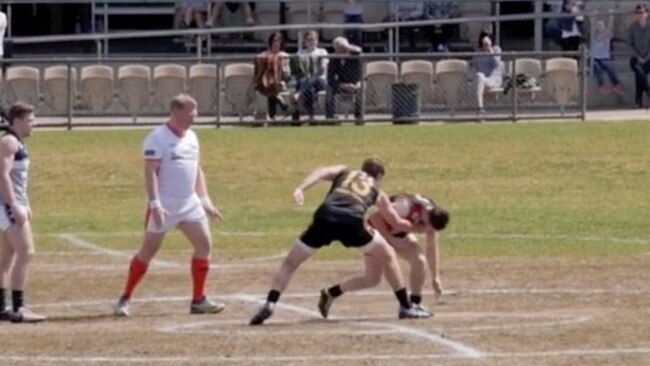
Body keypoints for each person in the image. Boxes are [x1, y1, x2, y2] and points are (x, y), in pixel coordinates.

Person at [249, 158, 432, 325]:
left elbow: (321, 171)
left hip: (325, 216)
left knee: (290, 263)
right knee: (387, 254)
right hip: (352, 221)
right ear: (379, 176)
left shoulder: (345, 171)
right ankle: (406, 306)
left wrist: (301, 189)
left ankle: (270, 302)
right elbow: (396, 222)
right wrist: (420, 227)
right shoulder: (377, 190)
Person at [114, 94, 224, 317]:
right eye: (191, 113)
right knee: (147, 252)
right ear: (176, 113)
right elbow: (150, 172)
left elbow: (197, 169)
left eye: (196, 112)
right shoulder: (157, 138)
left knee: (204, 246)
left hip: (189, 204)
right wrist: (155, 204)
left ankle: (199, 300)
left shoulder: (192, 137)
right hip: (165, 205)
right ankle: (125, 298)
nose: (195, 117)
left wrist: (204, 200)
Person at [369, 193, 450, 316]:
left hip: (399, 235)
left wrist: (435, 277)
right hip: (376, 234)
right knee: (371, 279)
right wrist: (389, 238)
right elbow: (374, 217)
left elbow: (431, 247)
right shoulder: (405, 207)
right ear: (428, 214)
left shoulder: (430, 218)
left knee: (420, 261)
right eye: (428, 225)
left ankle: (414, 305)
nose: (427, 228)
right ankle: (333, 293)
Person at [0, 102, 45, 323]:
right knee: (27, 253)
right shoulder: (9, 142)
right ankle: (18, 308)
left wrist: (25, 203)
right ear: (17, 121)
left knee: (8, 256)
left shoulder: (16, 143)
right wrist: (14, 205)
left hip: (14, 204)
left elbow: (18, 181)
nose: (33, 124)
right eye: (30, 120)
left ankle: (1, 307)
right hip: (7, 205)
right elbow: (3, 175)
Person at [291, 31, 329, 123]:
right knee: (310, 89)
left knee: (310, 80)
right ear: (305, 41)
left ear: (317, 40)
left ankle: (298, 95)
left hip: (320, 80)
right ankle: (311, 116)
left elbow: (322, 70)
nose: (311, 42)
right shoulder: (300, 53)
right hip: (305, 81)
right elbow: (297, 70)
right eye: (309, 40)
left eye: (314, 39)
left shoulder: (322, 51)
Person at [254, 32, 291, 121]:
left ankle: (272, 115)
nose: (276, 43)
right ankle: (282, 106)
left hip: (280, 81)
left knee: (272, 87)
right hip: (264, 81)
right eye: (274, 41)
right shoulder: (264, 54)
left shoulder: (284, 55)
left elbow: (287, 73)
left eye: (278, 41)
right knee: (270, 86)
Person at [326, 37, 362, 122]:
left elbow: (359, 50)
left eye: (341, 47)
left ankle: (359, 116)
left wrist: (345, 46)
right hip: (341, 84)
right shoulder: (334, 59)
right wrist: (341, 85)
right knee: (329, 89)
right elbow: (330, 78)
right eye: (337, 48)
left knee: (360, 89)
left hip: (356, 82)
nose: (339, 50)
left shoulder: (354, 56)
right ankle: (330, 117)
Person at [591, 11, 624, 96]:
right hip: (595, 58)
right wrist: (594, 16)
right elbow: (592, 24)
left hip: (605, 58)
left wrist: (611, 15)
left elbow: (610, 26)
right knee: (597, 69)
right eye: (598, 26)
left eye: (601, 25)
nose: (600, 27)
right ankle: (602, 86)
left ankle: (617, 85)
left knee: (611, 69)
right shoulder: (593, 35)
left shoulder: (607, 35)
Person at [472, 32, 504, 114]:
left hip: (494, 79)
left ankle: (479, 108)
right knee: (480, 76)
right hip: (482, 80)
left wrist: (490, 49)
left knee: (480, 78)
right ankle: (480, 107)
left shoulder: (496, 49)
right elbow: (476, 67)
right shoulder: (477, 52)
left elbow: (497, 63)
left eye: (488, 39)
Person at [629, 4, 650, 108]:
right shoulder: (632, 27)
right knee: (638, 69)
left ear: (647, 13)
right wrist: (638, 57)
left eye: (642, 12)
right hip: (636, 57)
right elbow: (630, 44)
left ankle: (638, 101)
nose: (640, 15)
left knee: (639, 74)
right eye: (638, 13)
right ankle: (648, 91)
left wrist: (646, 58)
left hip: (649, 58)